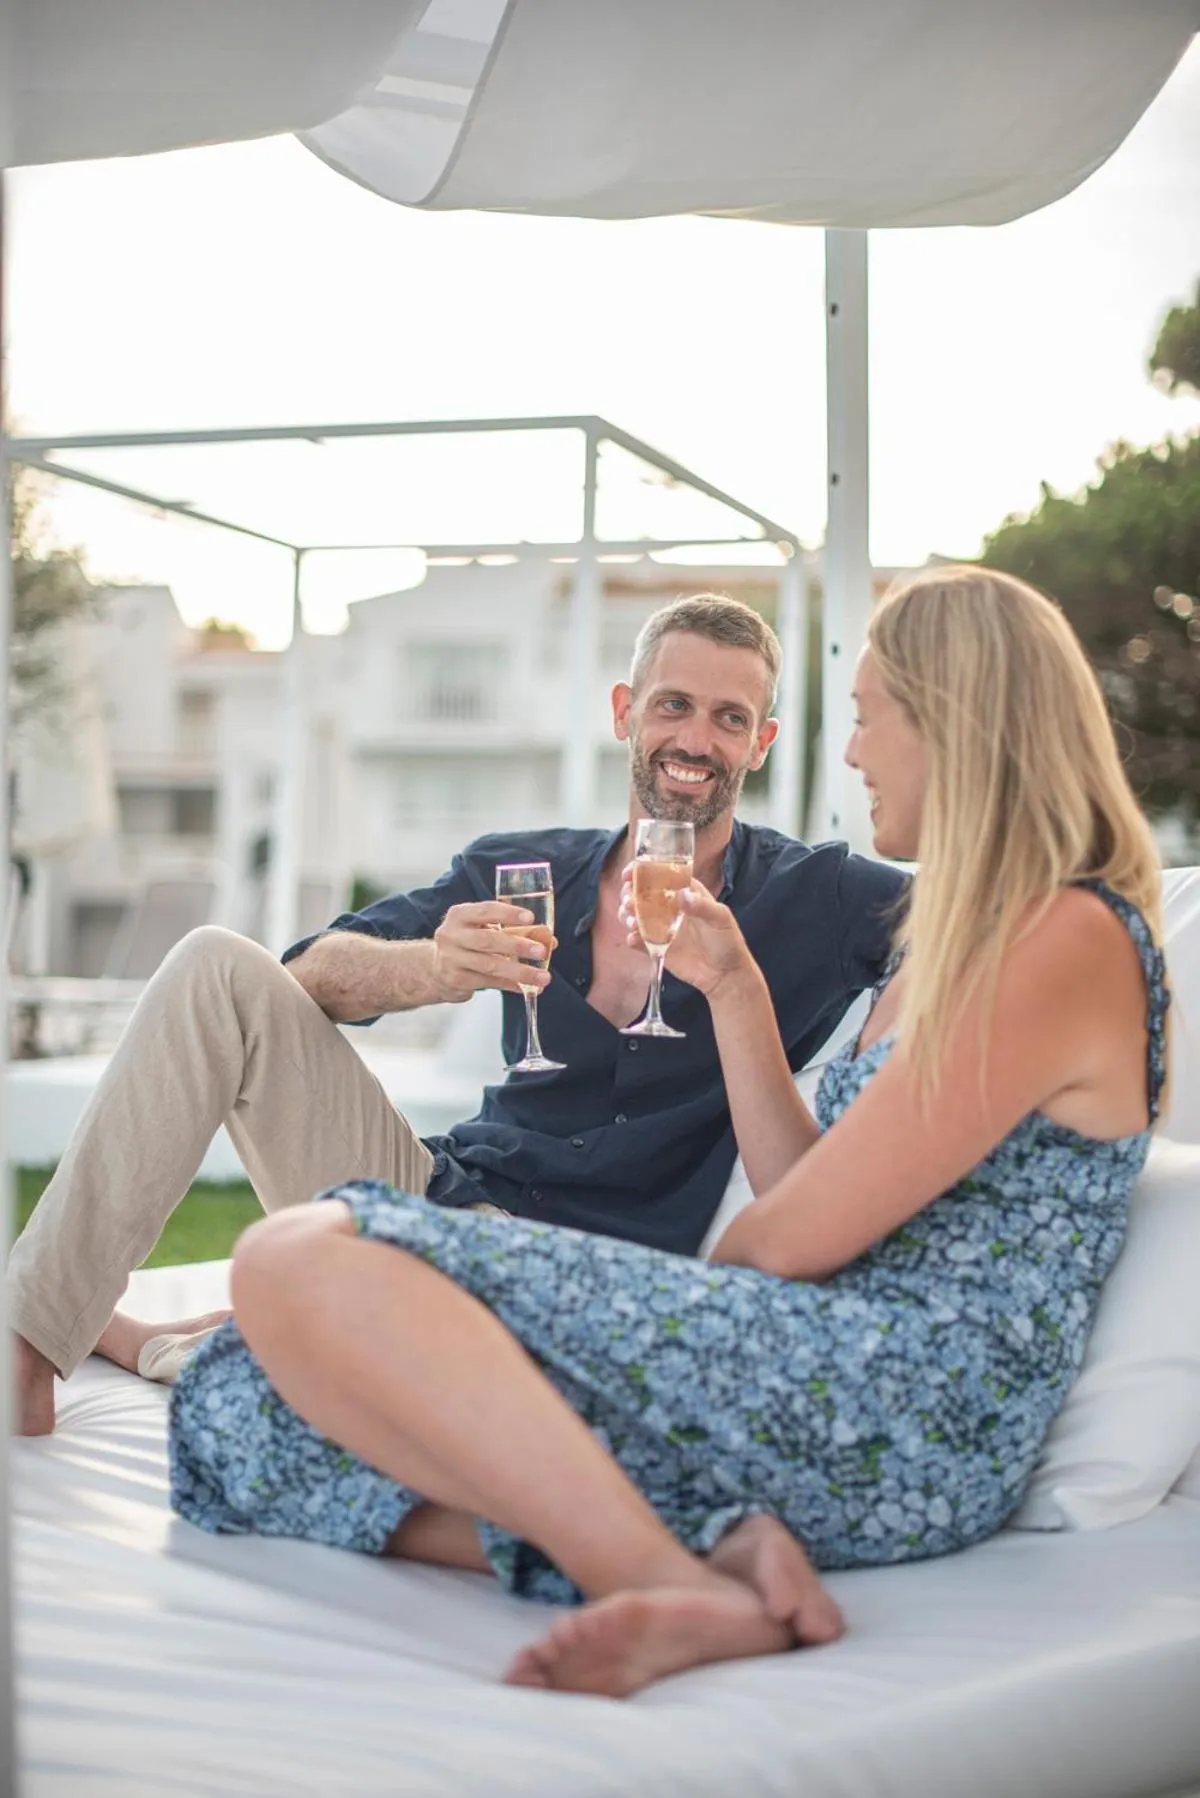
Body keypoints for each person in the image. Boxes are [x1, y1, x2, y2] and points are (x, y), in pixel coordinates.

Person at [167, 564, 1168, 1699]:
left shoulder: (1063, 937)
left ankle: (662, 1575)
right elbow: (811, 1183)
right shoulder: (961, 946)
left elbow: (790, 1240)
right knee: (244, 1406)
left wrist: (626, 1300)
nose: (850, 757)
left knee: (300, 1259)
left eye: (867, 719)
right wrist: (738, 991)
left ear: (958, 720)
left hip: (900, 1405)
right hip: (805, 1361)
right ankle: (714, 1539)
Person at [11, 592, 906, 1435]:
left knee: (321, 1355)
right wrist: (433, 968)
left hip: (594, 1286)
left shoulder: (819, 896)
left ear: (763, 744)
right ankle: (29, 1347)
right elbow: (310, 973)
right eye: (674, 705)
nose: (696, 738)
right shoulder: (521, 868)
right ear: (625, 711)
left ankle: (159, 1336)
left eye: (730, 718)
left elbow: (998, 909)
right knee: (215, 963)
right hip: (431, 1203)